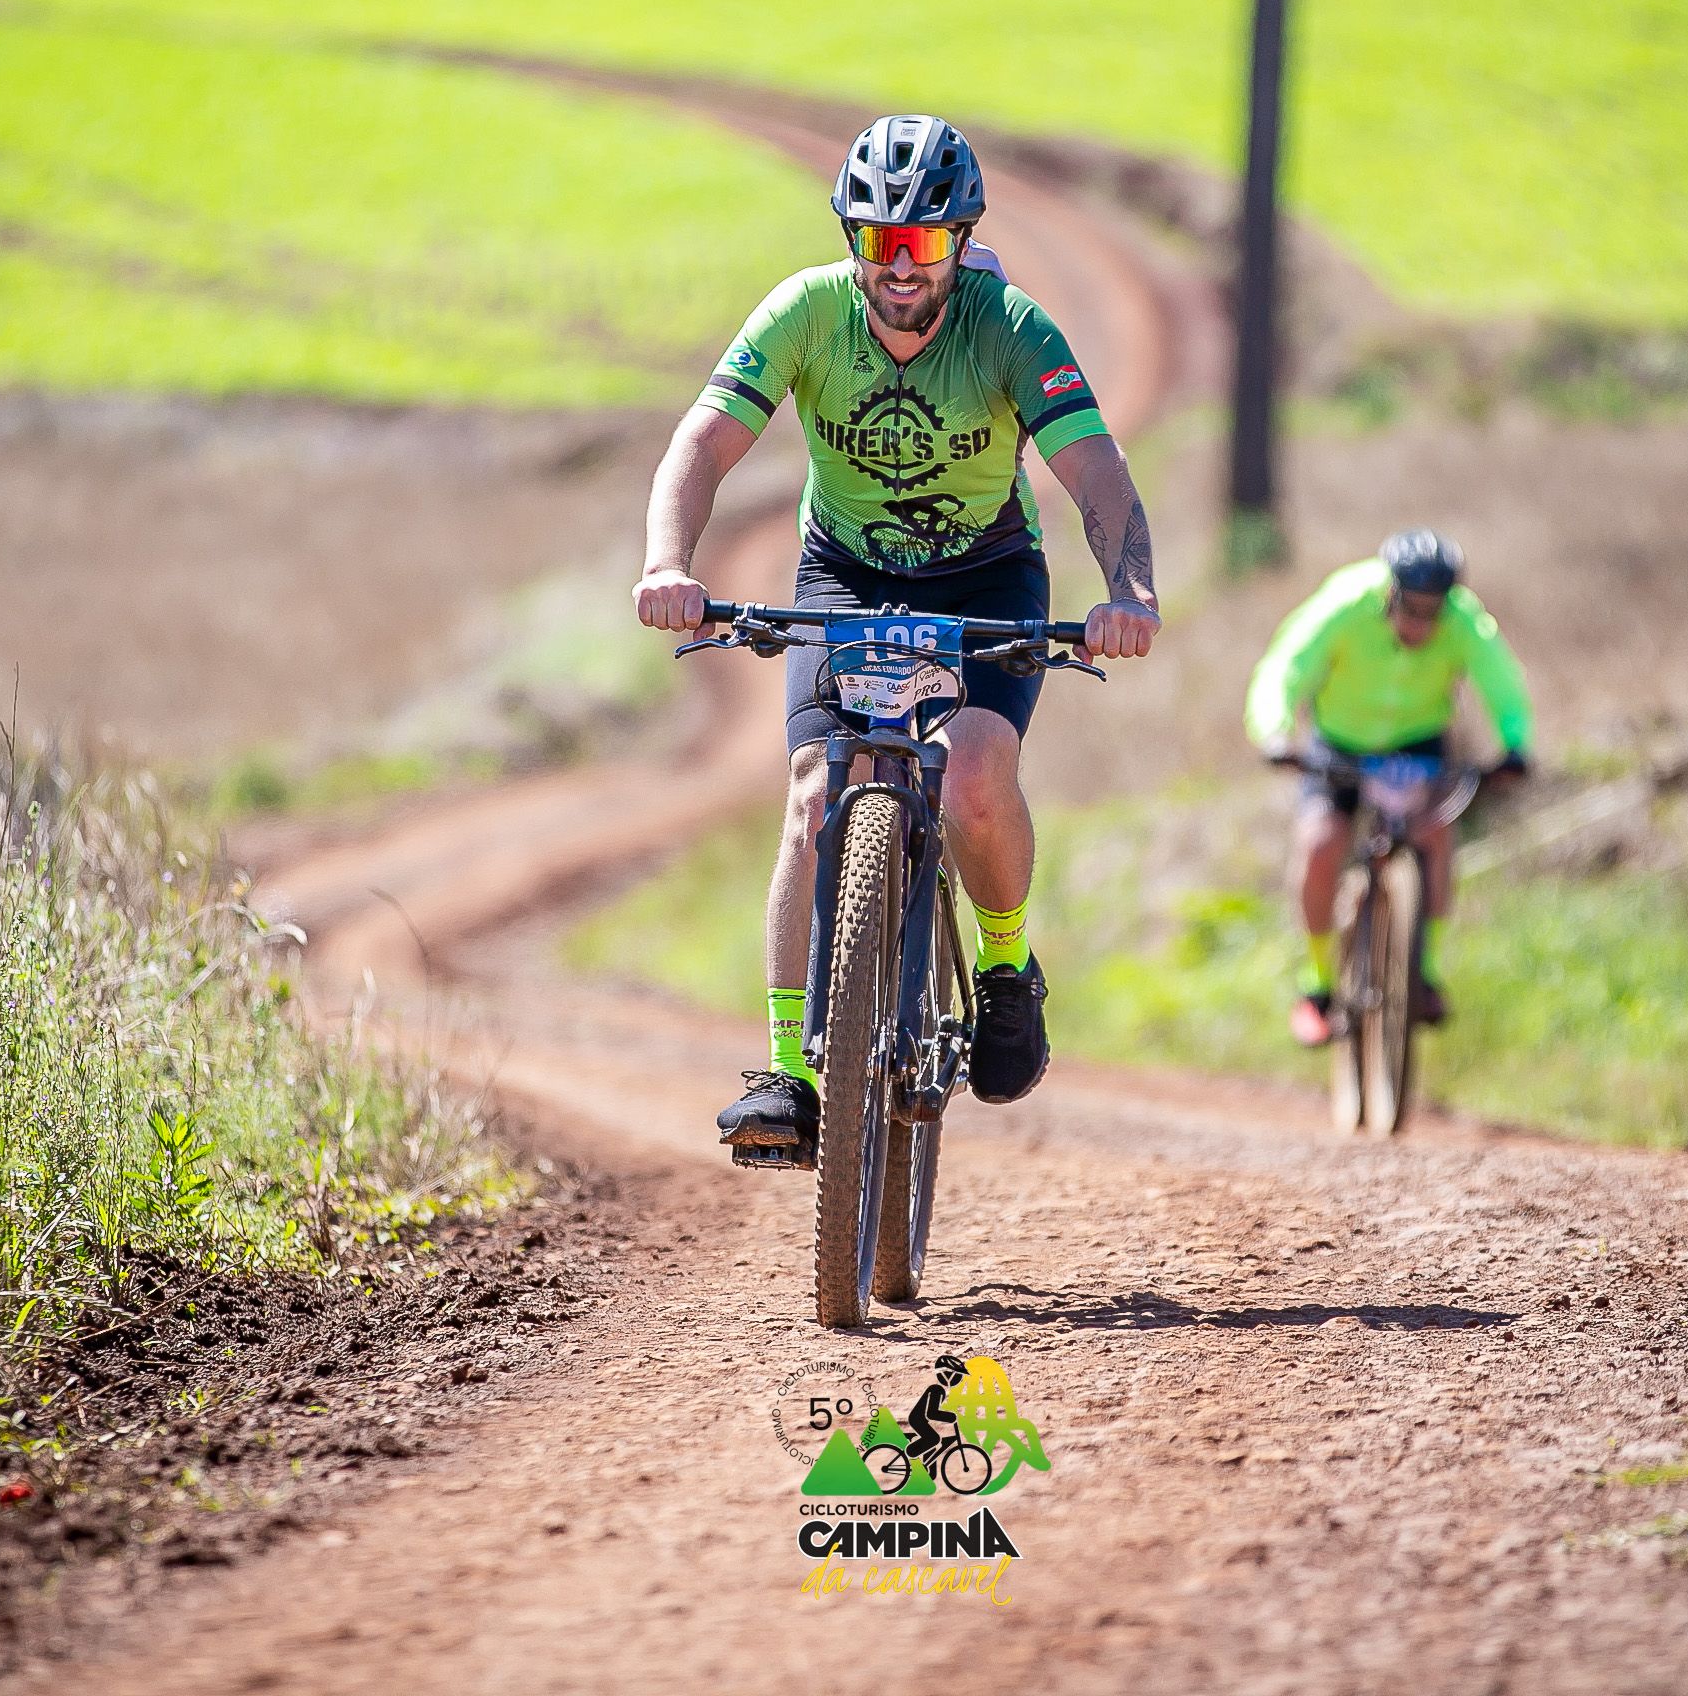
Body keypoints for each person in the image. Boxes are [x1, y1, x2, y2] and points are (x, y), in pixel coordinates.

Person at [634, 114, 1162, 1165]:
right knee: (811, 794)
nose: (901, 267)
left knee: (974, 773)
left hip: (985, 574)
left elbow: (1095, 466)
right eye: (880, 242)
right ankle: (788, 1071)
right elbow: (703, 441)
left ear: (961, 241)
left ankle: (1004, 968)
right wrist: (666, 564)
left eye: (923, 242)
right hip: (848, 573)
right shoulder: (806, 312)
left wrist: (1129, 590)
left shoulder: (1011, 327)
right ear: (853, 241)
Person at [1244, 530, 1532, 1047]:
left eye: (1433, 612)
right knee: (1320, 843)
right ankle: (1318, 986)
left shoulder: (1464, 619)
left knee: (1435, 835)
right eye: (1411, 609)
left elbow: (1502, 682)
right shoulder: (1347, 602)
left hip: (1418, 745)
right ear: (1390, 593)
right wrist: (1275, 731)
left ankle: (1424, 972)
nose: (1421, 624)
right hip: (1340, 744)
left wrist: (1515, 746)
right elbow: (1287, 664)